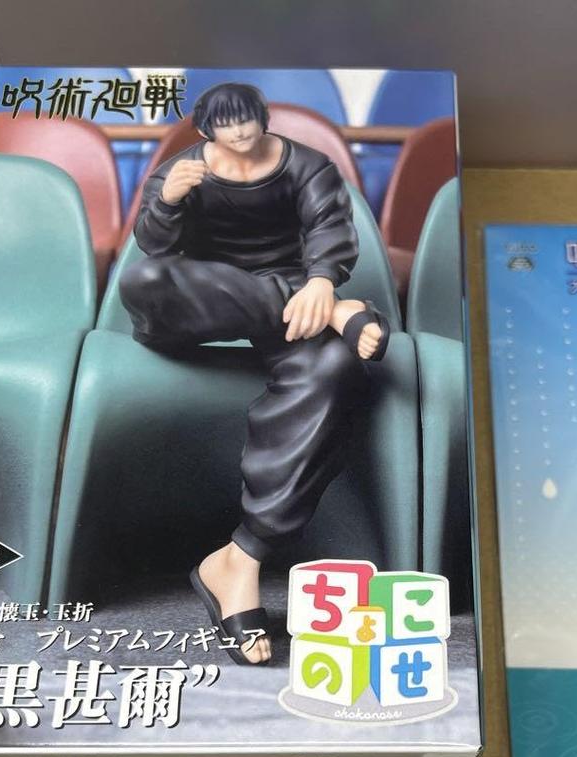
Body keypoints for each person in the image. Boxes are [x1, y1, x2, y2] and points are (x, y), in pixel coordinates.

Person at [119, 82, 390, 666]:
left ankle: (240, 561)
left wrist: (321, 282)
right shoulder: (182, 169)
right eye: (226, 124)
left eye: (248, 121)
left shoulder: (308, 166)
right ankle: (335, 313)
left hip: (296, 308)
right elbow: (153, 247)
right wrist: (169, 201)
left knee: (337, 366)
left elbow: (330, 229)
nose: (240, 132)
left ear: (264, 118)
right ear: (205, 129)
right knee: (143, 281)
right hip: (203, 301)